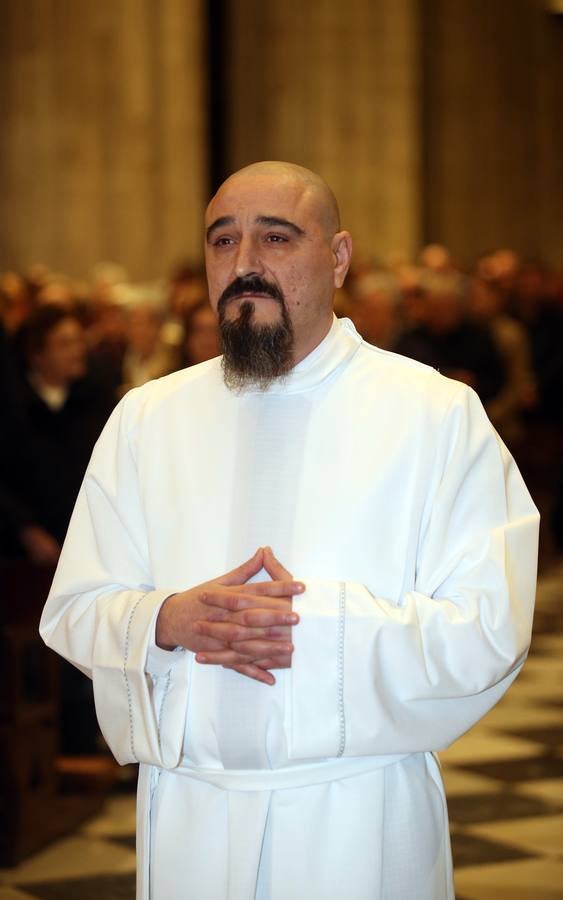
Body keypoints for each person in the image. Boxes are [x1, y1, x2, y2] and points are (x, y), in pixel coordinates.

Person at [40, 162, 539, 900]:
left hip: (357, 819)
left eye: (276, 238)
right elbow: (76, 607)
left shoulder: (433, 415)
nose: (244, 265)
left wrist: (308, 626)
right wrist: (166, 620)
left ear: (337, 258)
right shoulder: (146, 418)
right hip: (189, 816)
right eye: (222, 241)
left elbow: (489, 628)